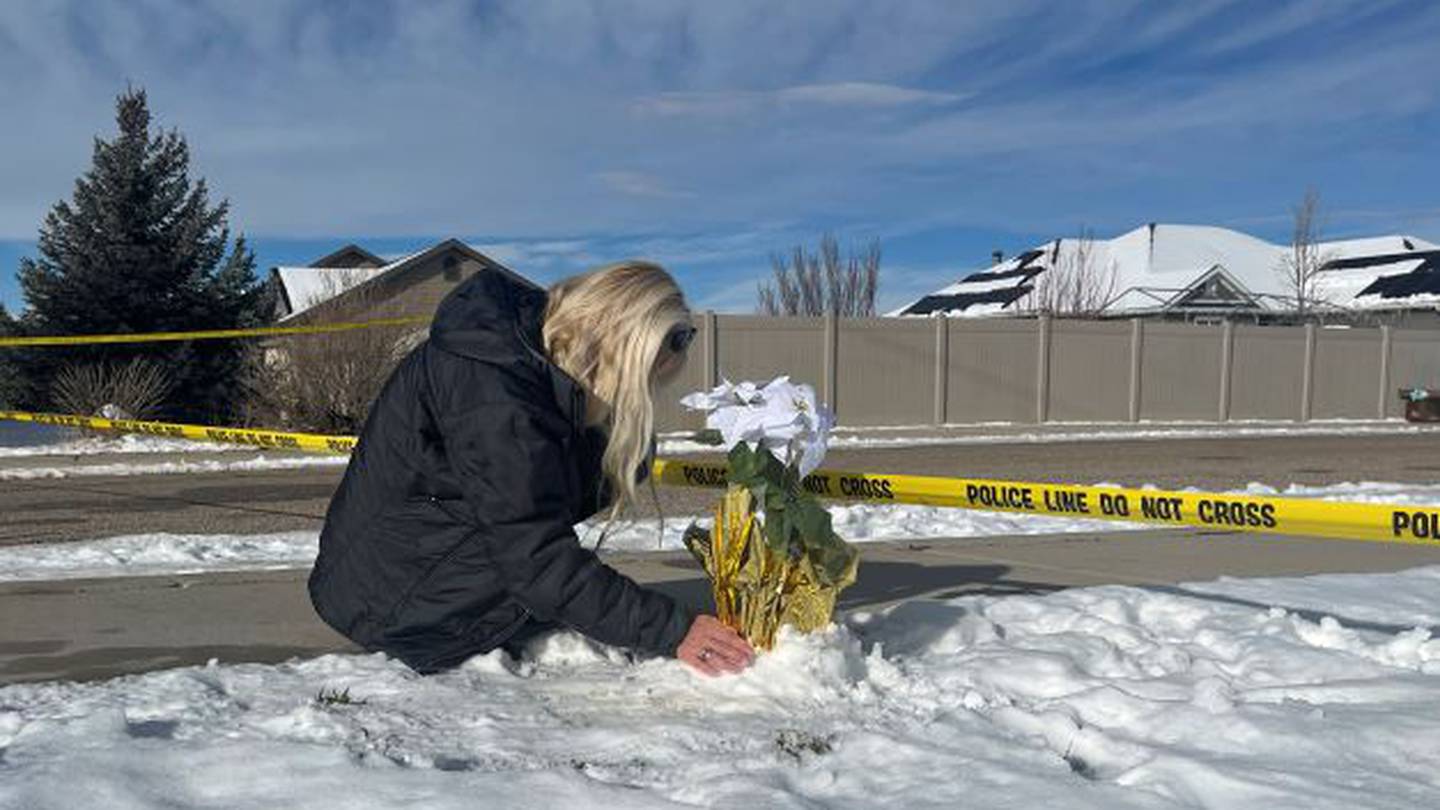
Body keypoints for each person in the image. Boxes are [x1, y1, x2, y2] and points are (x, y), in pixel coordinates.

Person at [308, 260, 754, 676]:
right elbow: (533, 554)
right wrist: (672, 630)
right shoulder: (495, 394)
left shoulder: (526, 361)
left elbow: (533, 514)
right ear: (613, 346)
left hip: (402, 570)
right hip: (392, 605)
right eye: (641, 376)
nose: (638, 393)